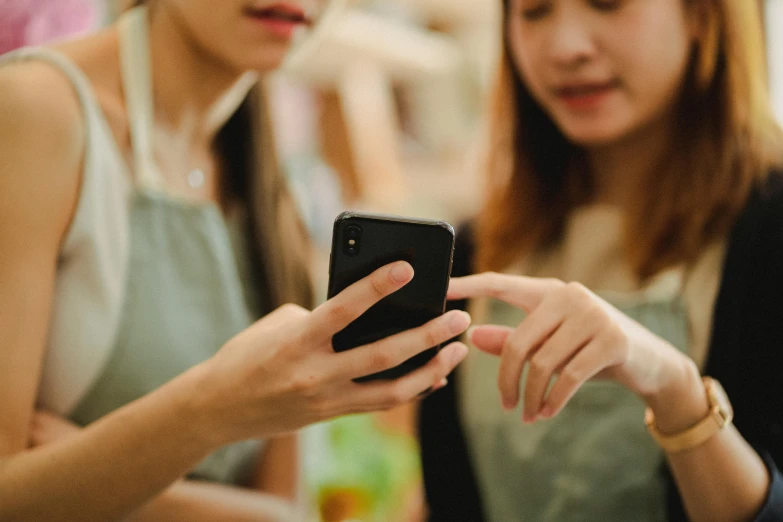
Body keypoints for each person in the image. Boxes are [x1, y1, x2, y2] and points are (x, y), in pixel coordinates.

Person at [0, 0, 472, 520]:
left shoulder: (267, 176)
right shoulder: (34, 112)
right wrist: (209, 415)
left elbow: (282, 507)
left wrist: (130, 466)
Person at [418, 0, 783, 521]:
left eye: (608, 4)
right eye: (534, 11)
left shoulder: (768, 232)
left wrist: (673, 388)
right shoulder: (477, 246)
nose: (566, 48)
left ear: (701, 17)